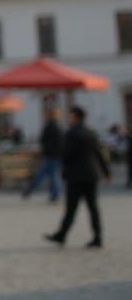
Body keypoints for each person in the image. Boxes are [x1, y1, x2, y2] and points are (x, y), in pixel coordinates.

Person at [44, 105, 111, 248]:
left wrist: (63, 169)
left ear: (75, 117)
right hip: (91, 176)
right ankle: (97, 237)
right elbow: (99, 154)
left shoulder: (71, 134)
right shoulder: (91, 132)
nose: (68, 118)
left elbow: (67, 155)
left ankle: (61, 235)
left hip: (75, 177)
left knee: (71, 209)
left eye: (70, 116)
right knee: (93, 208)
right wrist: (106, 172)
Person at [23, 109, 63, 202]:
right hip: (56, 156)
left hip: (49, 155)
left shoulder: (48, 127)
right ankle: (54, 195)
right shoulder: (58, 127)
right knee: (52, 176)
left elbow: (42, 140)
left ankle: (30, 190)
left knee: (42, 175)